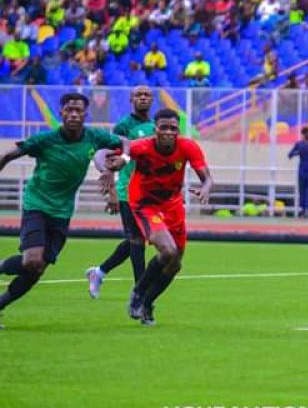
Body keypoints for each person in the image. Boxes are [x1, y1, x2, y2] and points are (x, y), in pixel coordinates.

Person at [0, 93, 124, 327]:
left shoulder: (94, 137)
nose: (74, 114)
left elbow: (123, 144)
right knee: (31, 261)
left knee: (36, 269)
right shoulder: (45, 139)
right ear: (61, 113)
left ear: (86, 114)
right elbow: (8, 155)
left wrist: (120, 162)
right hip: (37, 204)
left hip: (62, 212)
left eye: (79, 110)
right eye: (69, 110)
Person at [105, 108, 213, 326]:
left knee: (175, 264)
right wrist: (109, 171)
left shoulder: (188, 146)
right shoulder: (141, 146)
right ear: (155, 129)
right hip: (145, 204)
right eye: (164, 128)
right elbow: (107, 153)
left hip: (173, 206)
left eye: (174, 128)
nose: (169, 132)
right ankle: (138, 291)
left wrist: (205, 188)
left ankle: (147, 303)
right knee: (168, 250)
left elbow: (207, 178)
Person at [85, 86, 155, 299]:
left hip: (150, 194)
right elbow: (108, 156)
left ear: (152, 100)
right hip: (128, 191)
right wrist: (113, 192)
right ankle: (140, 293)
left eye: (147, 95)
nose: (143, 97)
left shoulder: (155, 126)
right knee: (137, 241)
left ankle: (99, 272)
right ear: (131, 99)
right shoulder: (124, 126)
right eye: (138, 95)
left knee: (139, 239)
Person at [289, 127, 308, 218]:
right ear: (304, 134)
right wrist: (298, 152)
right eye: (307, 133)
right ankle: (302, 210)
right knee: (302, 190)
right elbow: (290, 154)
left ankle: (307, 209)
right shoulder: (299, 144)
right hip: (302, 170)